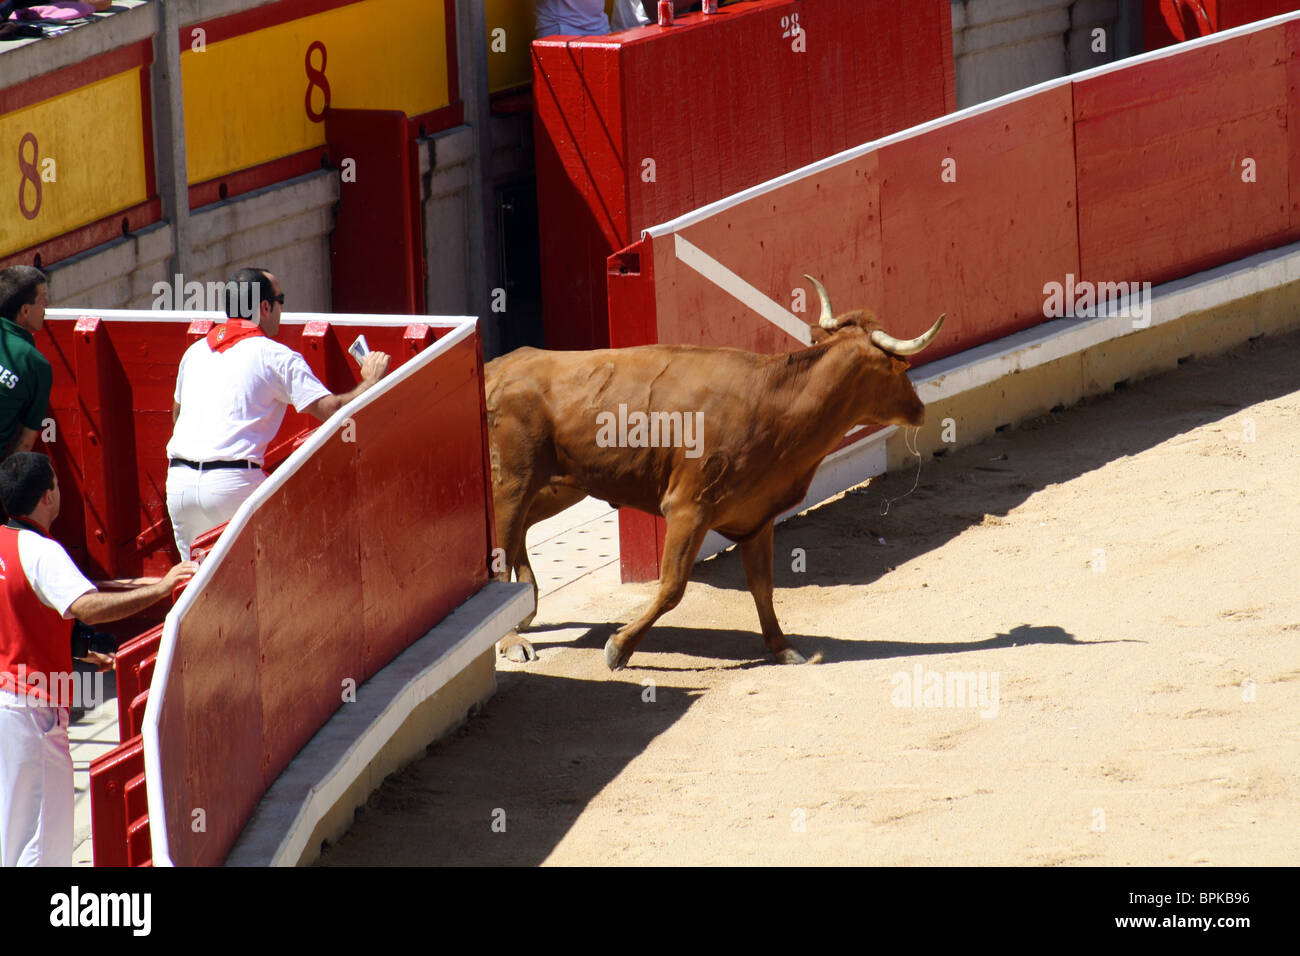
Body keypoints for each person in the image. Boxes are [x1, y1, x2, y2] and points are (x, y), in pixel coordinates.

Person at [0, 451, 196, 867]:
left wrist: (72, 647)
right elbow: (86, 605)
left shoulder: (5, 544)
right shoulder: (42, 552)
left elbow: (23, 605)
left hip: (7, 705)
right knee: (42, 842)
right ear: (48, 496)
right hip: (33, 711)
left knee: (12, 835)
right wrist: (161, 591)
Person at [165, 267, 390, 560]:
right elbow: (334, 412)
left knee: (196, 588)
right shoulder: (276, 356)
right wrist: (371, 380)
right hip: (233, 485)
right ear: (265, 307)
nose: (283, 309)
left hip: (179, 484)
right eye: (281, 300)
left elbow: (177, 418)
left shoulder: (194, 353)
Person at [0, 265, 52, 462]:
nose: (46, 307)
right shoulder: (35, 364)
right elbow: (24, 445)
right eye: (42, 300)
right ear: (25, 310)